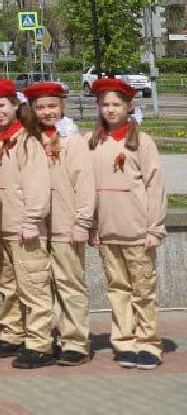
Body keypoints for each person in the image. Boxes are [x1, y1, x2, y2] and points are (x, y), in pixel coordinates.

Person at [87, 77, 165, 370]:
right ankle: (124, 341)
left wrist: (154, 228)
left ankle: (148, 342)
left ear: (129, 107)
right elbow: (87, 187)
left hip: (137, 230)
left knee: (142, 289)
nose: (110, 110)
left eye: (116, 104)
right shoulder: (92, 141)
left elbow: (154, 186)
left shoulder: (142, 142)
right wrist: (93, 225)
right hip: (108, 231)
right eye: (105, 105)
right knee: (117, 288)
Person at [0, 78, 54, 369]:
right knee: (7, 285)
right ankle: (12, 333)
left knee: (33, 285)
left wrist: (32, 219)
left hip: (25, 227)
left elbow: (37, 184)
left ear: (14, 105)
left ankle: (39, 343)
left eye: (1, 106)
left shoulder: (27, 140)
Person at [26, 80, 93, 366]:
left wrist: (83, 221)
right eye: (40, 107)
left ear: (62, 107)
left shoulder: (72, 140)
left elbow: (85, 183)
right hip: (39, 226)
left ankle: (76, 341)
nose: (46, 112)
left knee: (69, 282)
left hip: (67, 222)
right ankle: (48, 335)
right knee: (42, 284)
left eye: (52, 106)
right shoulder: (30, 139)